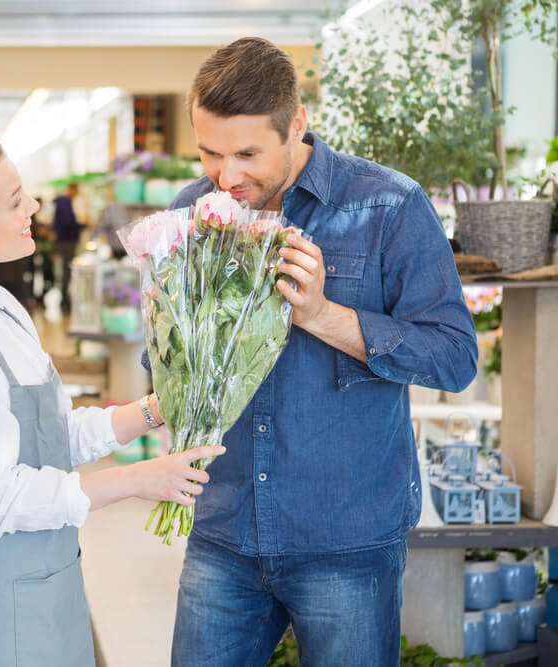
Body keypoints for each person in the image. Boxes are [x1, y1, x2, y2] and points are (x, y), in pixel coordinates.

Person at [168, 38, 477, 666]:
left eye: (249, 153)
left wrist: (324, 317)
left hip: (348, 538)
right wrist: (174, 332)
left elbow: (453, 357)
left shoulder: (388, 207)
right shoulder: (191, 214)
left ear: (297, 124)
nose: (228, 177)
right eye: (210, 153)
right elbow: (170, 370)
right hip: (223, 533)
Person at [0, 128, 225, 666]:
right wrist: (138, 480)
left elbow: (53, 434)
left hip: (41, 585)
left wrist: (152, 410)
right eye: (16, 199)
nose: (36, 205)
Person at [52, 181, 82, 312]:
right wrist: (82, 225)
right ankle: (65, 301)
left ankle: (65, 299)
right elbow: (68, 222)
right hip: (67, 241)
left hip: (65, 240)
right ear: (72, 189)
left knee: (66, 270)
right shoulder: (64, 202)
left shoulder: (62, 202)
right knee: (66, 271)